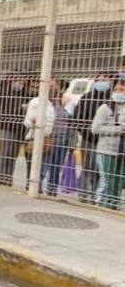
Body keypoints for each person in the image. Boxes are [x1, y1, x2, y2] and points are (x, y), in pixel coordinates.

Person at [72, 74, 112, 203]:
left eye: (105, 80)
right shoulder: (87, 97)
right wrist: (88, 134)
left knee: (101, 171)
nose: (102, 82)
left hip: (106, 140)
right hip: (89, 140)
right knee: (88, 168)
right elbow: (78, 119)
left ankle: (96, 197)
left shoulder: (111, 99)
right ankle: (83, 195)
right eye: (100, 80)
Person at [90, 77, 125, 210]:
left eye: (121, 90)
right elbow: (95, 128)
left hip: (121, 152)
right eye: (116, 90)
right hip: (106, 150)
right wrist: (117, 129)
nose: (118, 92)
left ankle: (113, 206)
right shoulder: (105, 108)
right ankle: (100, 206)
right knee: (106, 181)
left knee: (118, 181)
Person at [0, 73, 32, 187]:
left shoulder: (24, 94)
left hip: (19, 130)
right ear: (11, 80)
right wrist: (21, 108)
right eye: (19, 81)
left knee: (11, 159)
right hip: (5, 128)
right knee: (3, 157)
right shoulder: (0, 92)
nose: (21, 84)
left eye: (23, 82)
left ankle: (7, 181)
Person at [42, 79, 73, 197]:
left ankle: (52, 190)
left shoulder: (67, 101)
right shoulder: (44, 101)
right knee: (44, 166)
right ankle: (37, 188)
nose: (51, 88)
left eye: (53, 86)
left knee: (56, 167)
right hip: (48, 137)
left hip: (62, 138)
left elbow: (72, 121)